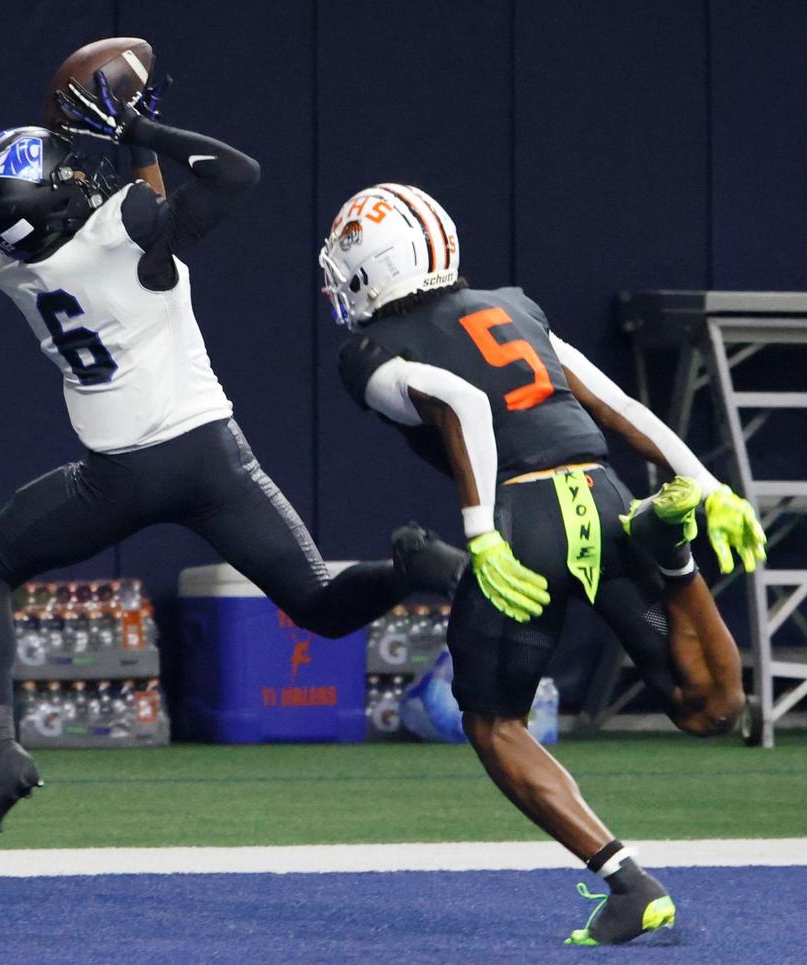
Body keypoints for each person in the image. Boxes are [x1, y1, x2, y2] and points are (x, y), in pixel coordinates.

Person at [0, 80, 463, 853]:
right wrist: (142, 127)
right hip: (207, 455)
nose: (81, 174)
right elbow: (235, 173)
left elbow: (127, 222)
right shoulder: (123, 226)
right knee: (322, 603)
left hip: (114, 478)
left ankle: (1, 749)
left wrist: (127, 145)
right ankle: (413, 568)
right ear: (57, 205)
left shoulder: (18, 272)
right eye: (65, 172)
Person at [319, 183, 767, 946]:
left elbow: (458, 400)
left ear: (370, 268)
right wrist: (712, 486)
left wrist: (481, 534)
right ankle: (676, 554)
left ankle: (628, 882)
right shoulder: (513, 307)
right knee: (710, 708)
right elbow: (616, 403)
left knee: (494, 722)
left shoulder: (367, 351)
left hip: (523, 518)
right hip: (603, 488)